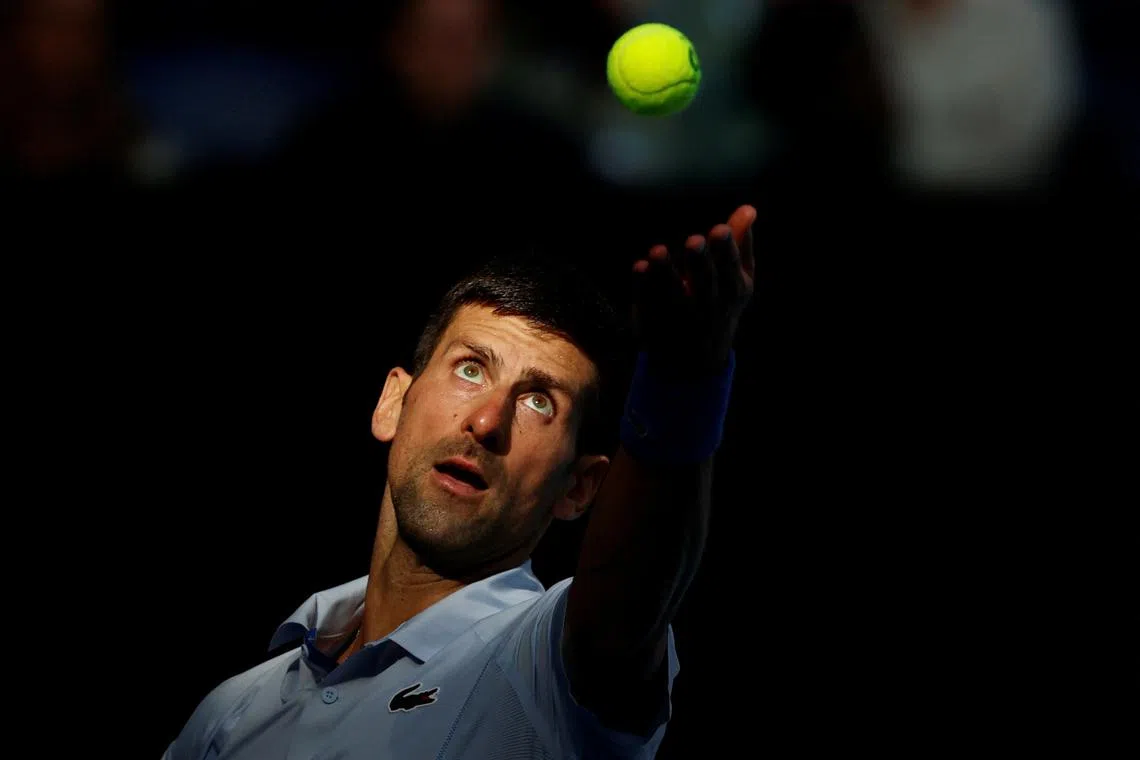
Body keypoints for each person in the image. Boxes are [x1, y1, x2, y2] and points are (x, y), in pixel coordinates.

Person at [162, 203, 758, 760]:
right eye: (470, 369)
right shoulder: (231, 713)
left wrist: (684, 387)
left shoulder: (542, 663)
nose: (486, 421)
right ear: (393, 402)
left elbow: (629, 603)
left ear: (578, 488)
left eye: (539, 403)